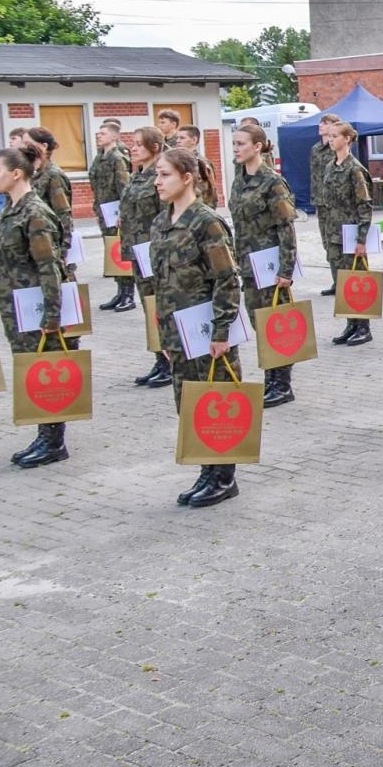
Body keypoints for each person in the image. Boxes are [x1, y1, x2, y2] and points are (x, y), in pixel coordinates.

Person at [149, 148, 247, 508]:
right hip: (178, 332)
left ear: (187, 178)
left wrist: (221, 331)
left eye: (165, 175)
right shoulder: (161, 223)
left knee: (214, 399)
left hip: (206, 332)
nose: (157, 182)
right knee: (188, 402)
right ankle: (206, 470)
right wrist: (162, 334)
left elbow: (226, 279)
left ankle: (224, 477)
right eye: (157, 175)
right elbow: (160, 283)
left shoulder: (206, 222)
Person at [0, 144, 72, 468]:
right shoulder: (8, 211)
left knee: (44, 370)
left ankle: (54, 441)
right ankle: (44, 433)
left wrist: (52, 315)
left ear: (16, 173)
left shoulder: (35, 212)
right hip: (15, 304)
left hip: (34, 305)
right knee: (30, 367)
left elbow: (49, 267)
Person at [229, 123, 302, 409]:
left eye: (241, 144)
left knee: (275, 324)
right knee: (260, 321)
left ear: (258, 146)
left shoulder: (272, 182)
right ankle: (271, 379)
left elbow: (286, 227)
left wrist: (286, 270)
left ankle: (282, 384)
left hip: (269, 265)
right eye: (234, 144)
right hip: (248, 264)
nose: (236, 149)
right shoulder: (239, 178)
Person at [121, 128, 172, 388]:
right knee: (149, 307)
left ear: (154, 147)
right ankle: (159, 358)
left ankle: (170, 360)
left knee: (160, 307)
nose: (134, 148)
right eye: (133, 144)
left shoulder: (159, 175)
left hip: (153, 251)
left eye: (140, 145)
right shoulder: (137, 175)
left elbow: (166, 215)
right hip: (137, 251)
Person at [318, 119, 375, 346]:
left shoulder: (355, 170)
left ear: (347, 139)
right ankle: (351, 323)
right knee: (341, 281)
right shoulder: (330, 166)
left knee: (357, 280)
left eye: (335, 136)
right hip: (333, 233)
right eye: (329, 136)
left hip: (351, 234)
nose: (330, 140)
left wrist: (362, 239)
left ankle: (364, 326)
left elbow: (364, 205)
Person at [90, 119, 135, 312]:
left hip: (115, 212)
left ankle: (129, 294)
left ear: (115, 136)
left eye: (104, 133)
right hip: (103, 211)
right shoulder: (100, 157)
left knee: (121, 252)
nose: (99, 136)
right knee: (112, 252)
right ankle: (120, 291)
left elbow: (124, 188)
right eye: (99, 134)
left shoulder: (117, 158)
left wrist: (123, 213)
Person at [23, 128, 74, 279]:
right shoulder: (34, 173)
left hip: (51, 242)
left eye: (28, 143)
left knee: (62, 285)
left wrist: (63, 249)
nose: (25, 148)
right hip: (37, 240)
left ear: (43, 146)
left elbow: (63, 214)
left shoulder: (53, 175)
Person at [309, 114, 337, 296]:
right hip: (320, 201)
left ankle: (342, 280)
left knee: (337, 245)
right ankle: (336, 279)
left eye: (326, 123)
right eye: (321, 122)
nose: (321, 125)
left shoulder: (336, 148)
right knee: (327, 243)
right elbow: (314, 175)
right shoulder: (316, 149)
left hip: (334, 203)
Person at [176, 126, 217, 205]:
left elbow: (210, 191)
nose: (178, 141)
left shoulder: (201, 163)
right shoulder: (177, 161)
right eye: (177, 138)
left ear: (194, 140)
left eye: (182, 138)